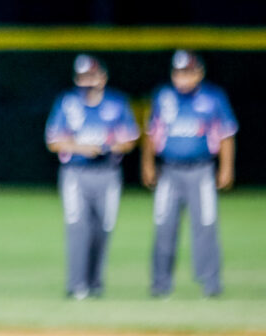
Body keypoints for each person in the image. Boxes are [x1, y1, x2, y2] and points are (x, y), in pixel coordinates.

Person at [142, 50, 238, 298]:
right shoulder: (163, 96)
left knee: (206, 225)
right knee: (164, 226)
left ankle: (211, 283)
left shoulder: (213, 98)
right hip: (170, 171)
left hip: (201, 169)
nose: (182, 77)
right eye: (178, 72)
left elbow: (226, 135)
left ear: (199, 73)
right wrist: (148, 164)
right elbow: (151, 134)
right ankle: (160, 284)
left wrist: (226, 168)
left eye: (187, 72)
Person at [45, 54, 140, 300]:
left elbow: (130, 139)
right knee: (77, 227)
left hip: (107, 173)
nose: (87, 81)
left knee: (103, 228)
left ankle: (95, 284)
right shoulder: (67, 103)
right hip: (76, 173)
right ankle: (76, 285)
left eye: (91, 75)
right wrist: (83, 148)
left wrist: (108, 146)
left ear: (102, 76)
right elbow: (54, 141)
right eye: (82, 76)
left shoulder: (116, 103)